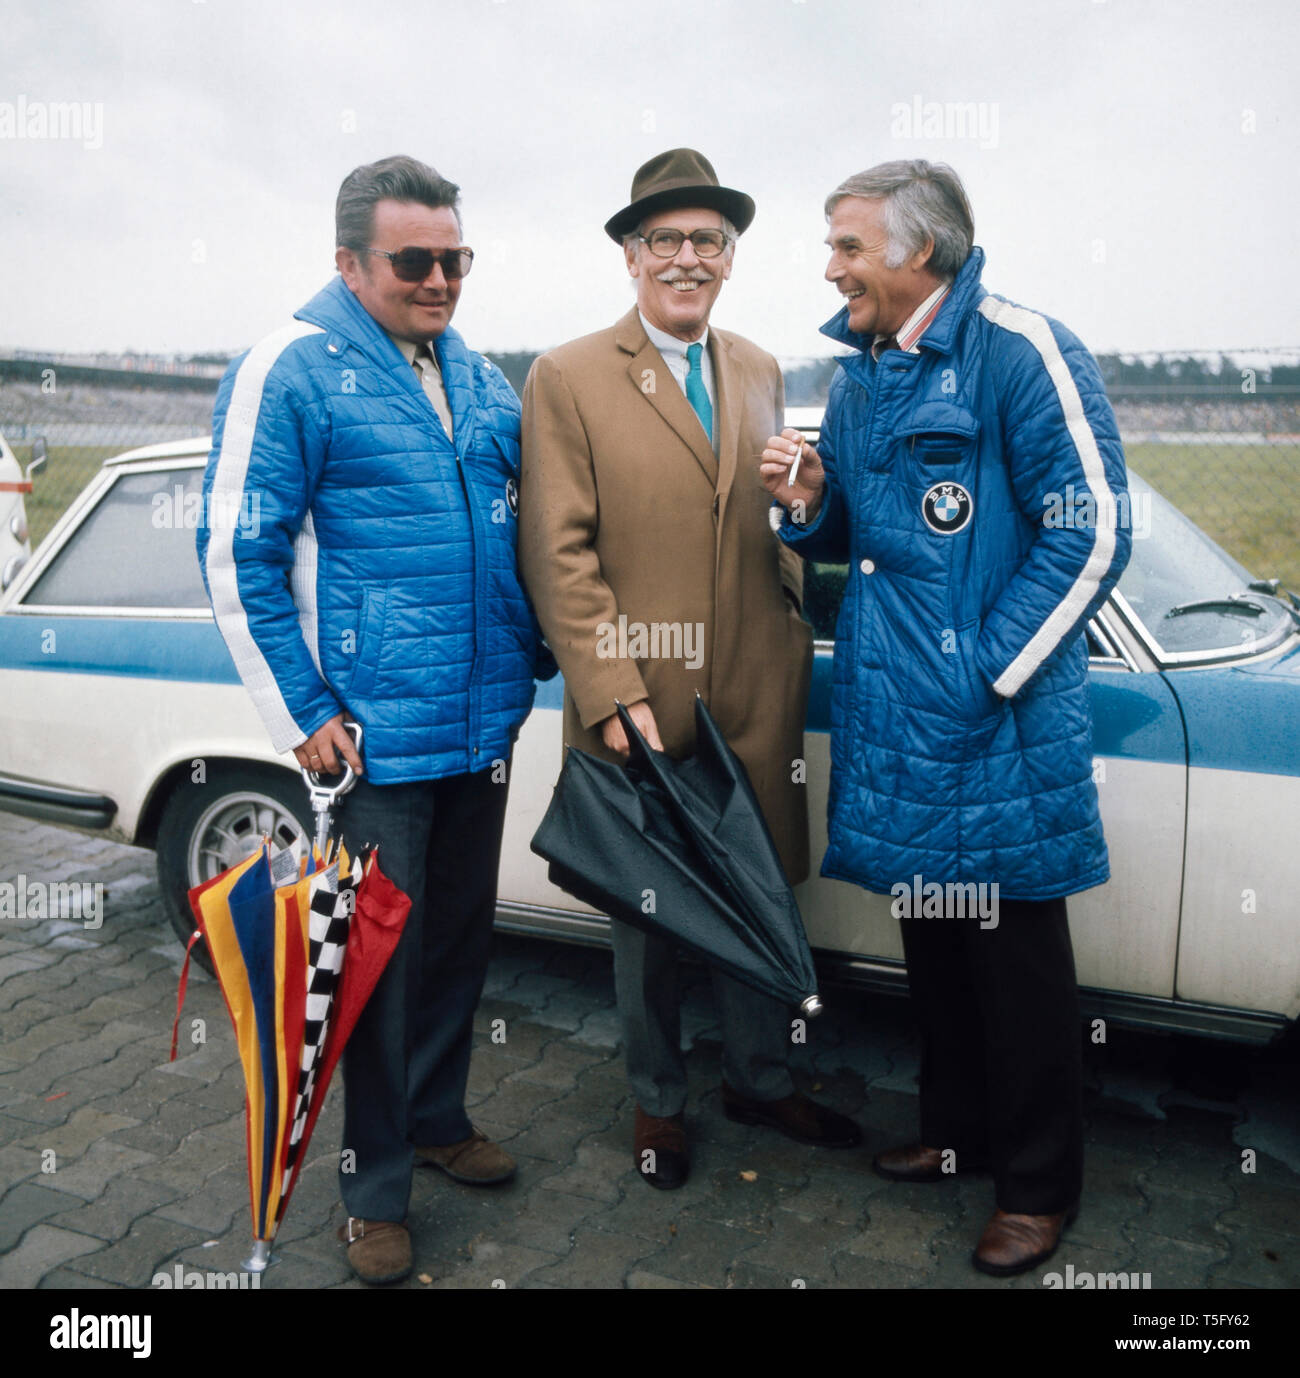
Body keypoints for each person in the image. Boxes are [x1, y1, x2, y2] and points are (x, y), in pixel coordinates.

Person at [762, 159, 1131, 1275]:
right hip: (895, 723)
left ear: (918, 250)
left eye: (846, 247)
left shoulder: (1021, 350)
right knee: (935, 948)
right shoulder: (866, 369)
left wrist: (980, 669)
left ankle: (1035, 1187)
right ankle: (956, 1134)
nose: (831, 269)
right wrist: (811, 506)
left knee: (1014, 966)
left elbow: (1092, 531)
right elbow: (858, 538)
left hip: (994, 727)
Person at [199, 155, 551, 1284]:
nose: (440, 280)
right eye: (415, 261)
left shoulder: (480, 376)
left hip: (478, 723)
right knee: (371, 969)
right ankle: (373, 1186)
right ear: (348, 261)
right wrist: (303, 712)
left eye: (456, 259)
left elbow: (520, 529)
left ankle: (438, 1120)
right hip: (371, 741)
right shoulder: (290, 367)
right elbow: (235, 552)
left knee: (457, 943)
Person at [519, 148, 861, 1191]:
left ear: (729, 258)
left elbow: (772, 520)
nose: (685, 257)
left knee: (760, 895)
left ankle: (760, 1078)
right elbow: (557, 550)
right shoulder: (566, 374)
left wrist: (803, 501)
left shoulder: (759, 366)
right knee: (652, 917)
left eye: (706, 240)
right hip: (645, 699)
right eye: (663, 239)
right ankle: (657, 1102)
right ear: (631, 256)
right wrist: (612, 690)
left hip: (754, 690)